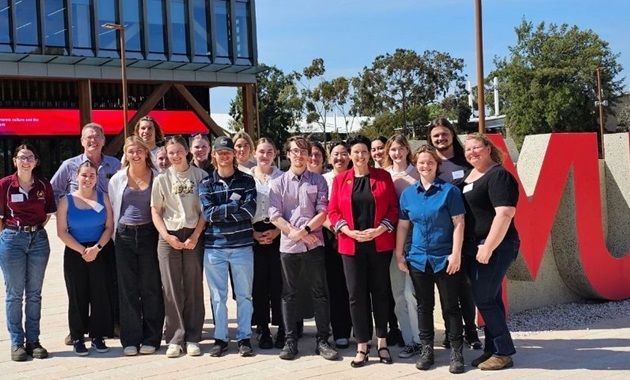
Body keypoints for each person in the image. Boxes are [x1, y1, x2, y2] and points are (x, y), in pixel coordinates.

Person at [328, 135, 398, 368]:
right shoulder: (341, 180)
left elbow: (393, 209)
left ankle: (382, 342)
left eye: (364, 152)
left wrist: (380, 229)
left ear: (370, 154)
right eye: (356, 152)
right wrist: (347, 231)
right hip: (351, 244)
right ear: (350, 154)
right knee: (356, 295)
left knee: (380, 293)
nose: (360, 156)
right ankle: (361, 345)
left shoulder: (383, 177)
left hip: (379, 243)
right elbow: (333, 211)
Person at [396, 145, 466, 373]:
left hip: (445, 258)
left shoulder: (449, 191)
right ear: (416, 165)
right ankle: (427, 350)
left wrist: (456, 254)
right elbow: (403, 226)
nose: (425, 166)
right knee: (424, 306)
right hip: (418, 259)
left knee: (451, 307)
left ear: (437, 166)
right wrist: (400, 253)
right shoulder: (408, 194)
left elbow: (459, 224)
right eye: (421, 163)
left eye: (430, 163)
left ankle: (456, 351)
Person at [51, 122, 121, 346]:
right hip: (76, 241)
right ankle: (78, 332)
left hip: (105, 239)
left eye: (97, 136)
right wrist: (64, 213)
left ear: (103, 139)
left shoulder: (115, 164)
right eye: (88, 137)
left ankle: (103, 329)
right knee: (78, 291)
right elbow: (52, 190)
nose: (93, 140)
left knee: (104, 287)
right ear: (81, 141)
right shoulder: (69, 165)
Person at [268, 136, 338, 361]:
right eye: (295, 151)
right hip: (289, 246)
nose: (299, 155)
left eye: (303, 151)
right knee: (289, 293)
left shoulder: (318, 181)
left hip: (314, 243)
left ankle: (323, 340)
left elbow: (323, 211)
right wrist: (294, 233)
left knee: (320, 292)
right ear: (287, 154)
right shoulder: (278, 183)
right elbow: (274, 215)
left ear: (309, 155)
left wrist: (305, 231)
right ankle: (290, 341)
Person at [461, 133, 520, 371]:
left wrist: (489, 246)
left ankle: (504, 352)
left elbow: (505, 213)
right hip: (476, 245)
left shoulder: (499, 175)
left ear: (488, 148)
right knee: (492, 298)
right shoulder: (471, 176)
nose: (472, 152)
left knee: (484, 298)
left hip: (496, 246)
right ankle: (492, 349)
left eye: (476, 147)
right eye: (468, 149)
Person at [199, 136, 257, 358]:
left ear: (234, 154)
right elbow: (208, 214)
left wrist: (222, 209)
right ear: (214, 155)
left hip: (242, 246)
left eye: (228, 152)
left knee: (244, 295)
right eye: (220, 152)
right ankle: (220, 338)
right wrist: (234, 205)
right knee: (217, 296)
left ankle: (244, 338)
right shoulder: (206, 184)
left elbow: (249, 212)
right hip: (215, 248)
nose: (224, 156)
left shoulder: (247, 180)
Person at [427, 117, 482, 350]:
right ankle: (451, 333)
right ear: (430, 139)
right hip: (439, 236)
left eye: (444, 134)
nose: (440, 138)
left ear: (452, 135)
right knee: (446, 290)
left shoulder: (466, 163)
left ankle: (471, 331)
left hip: (465, 232)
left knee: (465, 286)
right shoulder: (428, 164)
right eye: (436, 135)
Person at [151, 135, 207, 358]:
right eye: (170, 153)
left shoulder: (201, 176)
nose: (175, 156)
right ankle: (175, 337)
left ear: (187, 151)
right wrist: (166, 236)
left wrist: (195, 235)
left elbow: (205, 210)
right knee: (171, 287)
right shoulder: (161, 179)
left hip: (194, 233)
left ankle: (193, 336)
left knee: (193, 286)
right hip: (169, 235)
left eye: (178, 151)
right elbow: (155, 211)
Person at [108, 136, 164, 356]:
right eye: (131, 151)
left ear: (146, 152)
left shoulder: (158, 177)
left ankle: (152, 337)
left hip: (150, 234)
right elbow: (113, 208)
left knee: (151, 288)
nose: (136, 154)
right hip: (124, 236)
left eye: (139, 150)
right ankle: (130, 339)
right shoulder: (118, 179)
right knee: (127, 289)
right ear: (126, 154)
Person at [0, 144, 56, 362]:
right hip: (12, 239)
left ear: (36, 161)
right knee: (14, 294)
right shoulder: (4, 185)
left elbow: (47, 214)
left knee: (34, 293)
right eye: (21, 157)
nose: (26, 161)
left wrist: (33, 231)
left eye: (30, 157)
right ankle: (17, 342)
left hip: (38, 240)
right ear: (15, 161)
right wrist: (11, 235)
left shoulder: (43, 184)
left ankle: (34, 340)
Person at [56, 161, 115, 356]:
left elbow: (109, 227)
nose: (88, 179)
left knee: (100, 294)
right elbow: (62, 232)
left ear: (96, 178)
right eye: (84, 175)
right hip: (75, 251)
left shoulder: (103, 197)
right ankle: (78, 337)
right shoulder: (66, 200)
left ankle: (98, 336)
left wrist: (96, 248)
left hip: (100, 250)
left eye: (92, 176)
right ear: (76, 177)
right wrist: (83, 250)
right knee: (77, 295)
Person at [382, 134, 422, 359]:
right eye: (392, 149)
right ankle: (410, 340)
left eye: (400, 148)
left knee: (413, 294)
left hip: (416, 241)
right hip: (391, 241)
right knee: (399, 294)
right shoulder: (384, 176)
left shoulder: (418, 173)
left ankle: (421, 338)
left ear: (407, 150)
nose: (396, 153)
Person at [249, 138, 284, 349]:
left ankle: (281, 329)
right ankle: (262, 329)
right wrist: (253, 233)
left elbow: (289, 207)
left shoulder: (282, 177)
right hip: (254, 233)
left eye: (269, 151)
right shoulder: (246, 177)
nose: (265, 155)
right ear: (255, 153)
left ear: (275, 153)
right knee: (259, 285)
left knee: (278, 284)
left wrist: (278, 230)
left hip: (278, 231)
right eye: (261, 151)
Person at [321, 141, 353, 350]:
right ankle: (340, 331)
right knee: (335, 285)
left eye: (343, 154)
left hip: (352, 235)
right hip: (329, 234)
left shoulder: (356, 176)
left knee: (354, 285)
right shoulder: (323, 180)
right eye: (335, 154)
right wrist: (333, 226)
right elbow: (319, 208)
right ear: (329, 157)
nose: (339, 158)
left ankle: (359, 330)